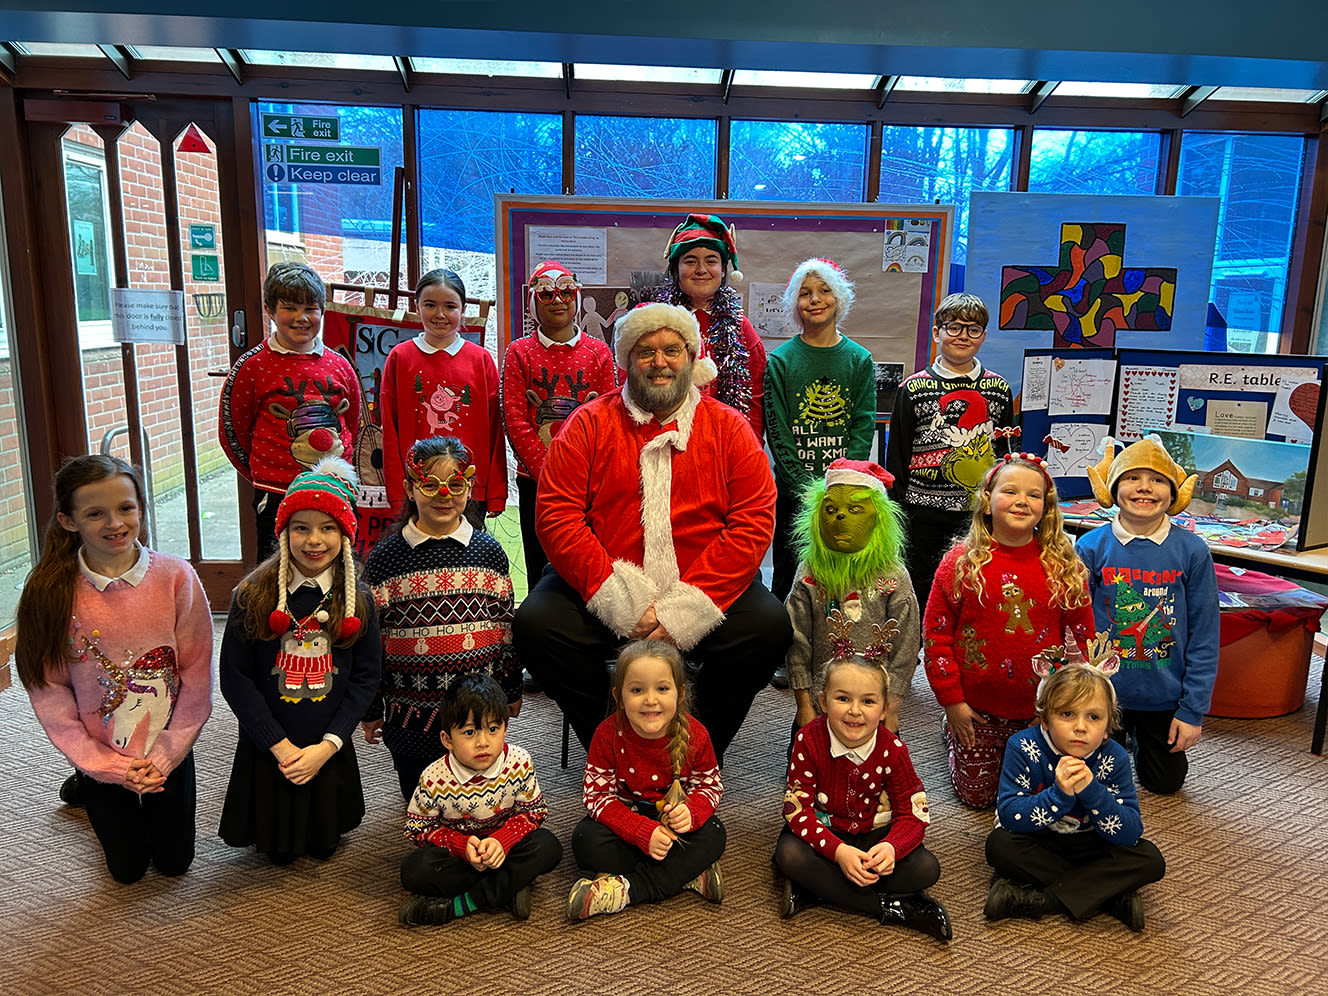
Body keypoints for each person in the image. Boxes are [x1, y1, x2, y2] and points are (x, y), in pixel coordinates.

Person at [513, 302, 789, 766]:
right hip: (608, 579)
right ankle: (613, 747)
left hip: (705, 581)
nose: (659, 362)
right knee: (538, 626)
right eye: (645, 351)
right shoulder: (587, 423)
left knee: (767, 628)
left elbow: (753, 520)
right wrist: (620, 600)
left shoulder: (729, 428)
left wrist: (687, 608)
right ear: (626, 360)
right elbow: (557, 516)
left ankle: (699, 753)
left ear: (690, 357)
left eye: (671, 350)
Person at [16, 455, 213, 884]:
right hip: (99, 752)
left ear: (141, 507)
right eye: (95, 513)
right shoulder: (49, 592)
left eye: (125, 508)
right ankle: (83, 783)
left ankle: (90, 784)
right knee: (127, 871)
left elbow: (197, 678)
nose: (115, 523)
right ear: (69, 522)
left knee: (175, 864)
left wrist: (166, 755)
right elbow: (48, 690)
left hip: (168, 749)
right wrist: (101, 765)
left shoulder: (177, 578)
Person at [218, 456, 381, 863]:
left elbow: (366, 678)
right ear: (283, 531)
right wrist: (278, 744)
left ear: (345, 535)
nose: (314, 540)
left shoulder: (358, 600)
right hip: (269, 744)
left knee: (324, 846)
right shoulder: (251, 595)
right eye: (301, 528)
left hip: (326, 743)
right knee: (277, 853)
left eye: (328, 528)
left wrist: (330, 745)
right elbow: (234, 678)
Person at [923, 454, 1096, 808]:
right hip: (974, 707)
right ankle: (949, 731)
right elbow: (936, 636)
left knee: (1038, 791)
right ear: (987, 499)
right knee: (979, 798)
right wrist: (952, 703)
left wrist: (1063, 706)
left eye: (1033, 495)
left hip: (1041, 710)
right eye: (1011, 491)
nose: (1022, 501)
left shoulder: (1064, 566)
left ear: (1046, 508)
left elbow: (1083, 639)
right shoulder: (959, 563)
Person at [362, 436, 522, 800]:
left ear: (469, 487)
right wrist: (371, 707)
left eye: (456, 484)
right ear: (409, 488)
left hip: (478, 718)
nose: (443, 495)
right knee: (424, 807)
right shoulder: (385, 559)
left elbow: (504, 630)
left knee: (484, 801)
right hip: (411, 719)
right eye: (430, 484)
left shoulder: (489, 552)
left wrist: (511, 688)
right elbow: (372, 643)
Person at [1076, 435, 1219, 795]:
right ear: (1112, 489)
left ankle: (1141, 740)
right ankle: (1121, 739)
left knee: (1165, 783)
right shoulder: (1091, 546)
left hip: (1164, 696)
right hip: (1103, 693)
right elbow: (1075, 625)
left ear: (1174, 494)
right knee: (1095, 780)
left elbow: (1205, 635)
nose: (1144, 488)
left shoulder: (1192, 551)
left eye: (1157, 479)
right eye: (1131, 478)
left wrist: (1192, 712)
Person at [774, 656, 951, 941]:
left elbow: (914, 813)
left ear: (884, 709)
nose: (855, 711)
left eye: (868, 702)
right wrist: (838, 851)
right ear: (823, 701)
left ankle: (818, 892)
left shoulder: (893, 749)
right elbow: (797, 811)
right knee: (789, 855)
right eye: (843, 698)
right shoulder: (808, 740)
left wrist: (891, 848)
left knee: (927, 869)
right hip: (826, 835)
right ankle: (890, 908)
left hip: (873, 837)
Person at [985, 656, 1166, 931]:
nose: (1080, 727)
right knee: (999, 846)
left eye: (1093, 717)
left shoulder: (1113, 757)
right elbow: (1010, 816)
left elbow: (1130, 831)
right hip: (1040, 840)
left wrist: (1092, 791)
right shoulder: (1022, 746)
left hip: (1093, 843)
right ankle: (1108, 897)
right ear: (1045, 719)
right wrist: (1058, 796)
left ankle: (1040, 901)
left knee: (1150, 860)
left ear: (1107, 728)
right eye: (1067, 714)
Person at [566, 640, 726, 920]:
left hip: (675, 830)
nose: (650, 700)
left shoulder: (696, 735)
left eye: (662, 689)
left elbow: (709, 785)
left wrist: (692, 812)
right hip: (628, 826)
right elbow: (596, 797)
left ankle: (625, 890)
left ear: (681, 693)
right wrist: (641, 832)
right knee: (584, 840)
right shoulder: (606, 735)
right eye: (637, 690)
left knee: (714, 834)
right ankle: (687, 874)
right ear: (619, 696)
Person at [219, 261, 363, 562]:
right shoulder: (252, 367)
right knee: (276, 567)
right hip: (276, 490)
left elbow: (351, 421)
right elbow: (233, 431)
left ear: (322, 311)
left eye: (311, 308)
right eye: (289, 308)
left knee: (336, 564)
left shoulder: (339, 364)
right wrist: (265, 472)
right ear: (270, 310)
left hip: (334, 486)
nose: (301, 318)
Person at [885, 291, 1018, 613]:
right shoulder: (913, 388)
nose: (963, 336)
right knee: (921, 587)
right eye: (954, 327)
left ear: (983, 337)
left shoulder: (998, 389)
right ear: (937, 333)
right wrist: (900, 510)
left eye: (973, 329)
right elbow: (898, 455)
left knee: (972, 586)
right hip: (922, 513)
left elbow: (1006, 453)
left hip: (977, 513)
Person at [397, 673, 563, 926]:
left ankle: (462, 904)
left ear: (505, 728)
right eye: (469, 732)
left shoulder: (519, 761)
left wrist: (503, 841)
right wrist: (461, 846)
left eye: (493, 729)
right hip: (460, 854)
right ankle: (509, 888)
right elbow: (418, 829)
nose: (483, 742)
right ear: (447, 740)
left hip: (506, 846)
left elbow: (534, 812)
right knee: (414, 870)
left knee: (548, 846)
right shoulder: (433, 777)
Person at [764, 258, 876, 601]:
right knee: (789, 576)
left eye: (824, 291)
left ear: (839, 298)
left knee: (840, 576)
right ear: (794, 304)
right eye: (805, 293)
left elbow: (863, 424)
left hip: (843, 493)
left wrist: (840, 482)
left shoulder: (859, 359)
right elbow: (777, 432)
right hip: (793, 496)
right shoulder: (780, 361)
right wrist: (807, 490)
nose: (815, 299)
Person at [502, 260, 617, 586]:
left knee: (588, 559)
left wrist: (586, 471)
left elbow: (608, 417)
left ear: (576, 298)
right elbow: (515, 418)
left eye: (565, 292)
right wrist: (547, 472)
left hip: (588, 480)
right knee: (541, 562)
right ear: (534, 302)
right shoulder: (519, 352)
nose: (557, 300)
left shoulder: (598, 352)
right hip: (535, 481)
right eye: (547, 294)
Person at [785, 459, 918, 734]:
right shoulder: (810, 571)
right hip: (822, 702)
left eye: (855, 509)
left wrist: (892, 707)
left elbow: (907, 642)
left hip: (875, 705)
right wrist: (804, 706)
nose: (841, 516)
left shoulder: (894, 574)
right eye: (831, 509)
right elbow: (796, 638)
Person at [379, 268, 505, 527]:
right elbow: (389, 432)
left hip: (467, 488)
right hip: (416, 488)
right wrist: (396, 492)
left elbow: (495, 430)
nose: (440, 314)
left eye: (449, 306)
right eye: (430, 305)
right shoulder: (400, 358)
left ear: (463, 308)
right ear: (417, 307)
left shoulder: (480, 360)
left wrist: (495, 492)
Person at [654, 213, 767, 440]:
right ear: (676, 269)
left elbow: (754, 399)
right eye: (690, 261)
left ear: (724, 269)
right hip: (663, 438)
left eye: (711, 260)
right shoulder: (654, 321)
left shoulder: (741, 329)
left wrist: (748, 446)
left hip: (724, 442)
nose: (701, 269)